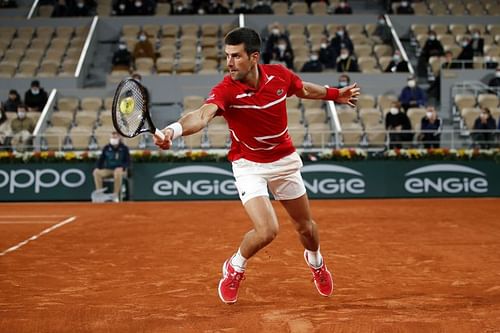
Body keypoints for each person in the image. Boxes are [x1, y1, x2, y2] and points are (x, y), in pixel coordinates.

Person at [153, 27, 360, 304]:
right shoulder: (226, 90)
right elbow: (202, 116)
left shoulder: (279, 75)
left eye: (236, 56)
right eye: (227, 56)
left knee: (306, 228)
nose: (229, 63)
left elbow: (303, 89)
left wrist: (335, 94)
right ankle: (235, 266)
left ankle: (316, 262)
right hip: (248, 164)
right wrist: (172, 131)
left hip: (284, 160)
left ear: (254, 57)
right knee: (267, 231)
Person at [93, 131, 130, 202]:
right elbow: (101, 159)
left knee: (117, 173)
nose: (113, 138)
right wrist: (97, 168)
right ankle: (100, 195)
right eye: (112, 137)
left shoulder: (124, 148)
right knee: (96, 173)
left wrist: (122, 167)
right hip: (109, 170)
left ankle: (115, 195)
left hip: (121, 171)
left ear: (119, 138)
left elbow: (128, 162)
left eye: (115, 137)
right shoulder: (106, 148)